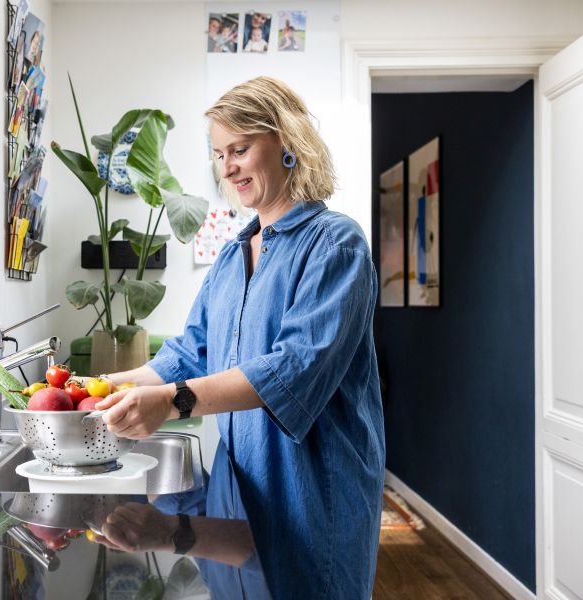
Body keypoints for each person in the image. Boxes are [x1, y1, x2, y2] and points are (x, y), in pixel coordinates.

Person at [94, 76, 386, 598]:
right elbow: (189, 353)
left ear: (287, 141)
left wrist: (172, 401)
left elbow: (293, 369)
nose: (227, 167)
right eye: (219, 154)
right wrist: (102, 388)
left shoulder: (336, 244)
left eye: (239, 149)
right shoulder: (233, 255)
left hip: (313, 499)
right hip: (239, 495)